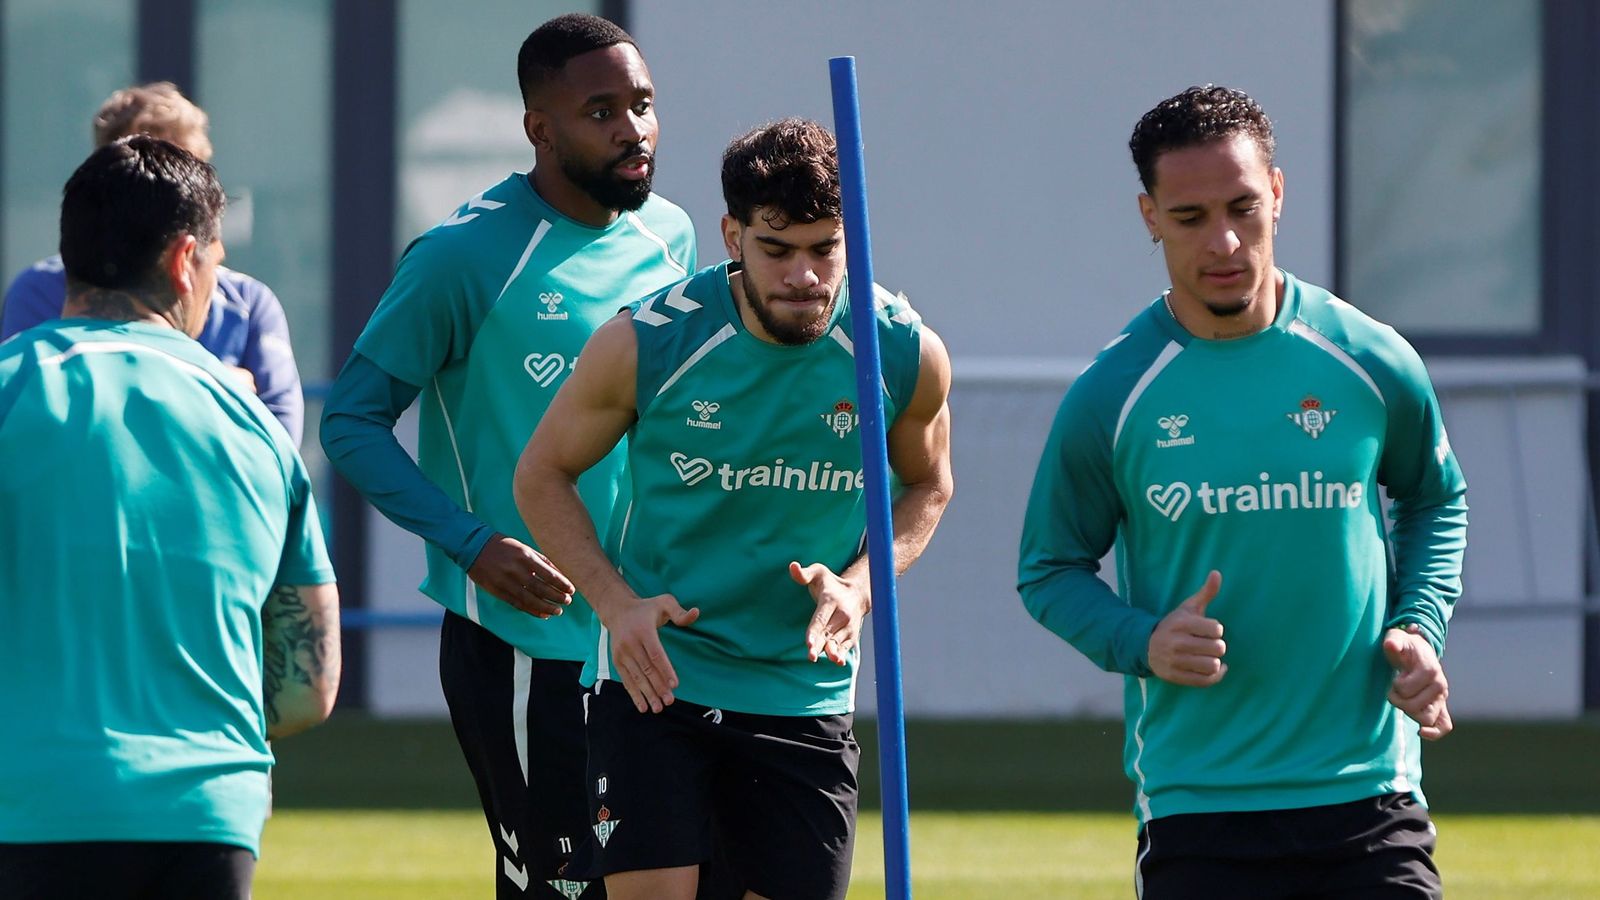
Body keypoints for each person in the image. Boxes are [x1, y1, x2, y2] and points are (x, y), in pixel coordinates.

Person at [1017, 85, 1468, 899]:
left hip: (1369, 793)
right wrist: (1142, 640)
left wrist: (1419, 625)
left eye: (1243, 207)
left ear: (1278, 194)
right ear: (1150, 216)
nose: (1223, 241)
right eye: (1190, 217)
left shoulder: (1370, 360)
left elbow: (1435, 499)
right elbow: (1049, 568)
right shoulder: (1113, 393)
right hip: (1199, 807)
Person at [513, 117, 954, 900]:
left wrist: (860, 586)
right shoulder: (647, 342)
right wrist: (615, 605)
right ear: (732, 236)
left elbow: (928, 486)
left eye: (825, 249)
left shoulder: (900, 351)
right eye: (776, 249)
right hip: (658, 681)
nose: (804, 276)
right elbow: (542, 475)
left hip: (802, 689)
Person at [320, 14, 694, 899]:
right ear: (540, 128)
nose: (633, 129)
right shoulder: (462, 256)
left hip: (649, 636)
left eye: (642, 105)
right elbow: (352, 422)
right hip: (527, 647)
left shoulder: (671, 236)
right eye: (601, 112)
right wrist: (470, 543)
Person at [0, 135, 340, 899]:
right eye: (218, 264)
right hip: (206, 816)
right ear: (186, 260)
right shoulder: (256, 428)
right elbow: (308, 689)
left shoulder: (10, 390)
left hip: (27, 810)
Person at [1, 81, 305, 444]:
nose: (160, 186)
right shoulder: (40, 288)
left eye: (180, 169)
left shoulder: (248, 302)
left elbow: (280, 438)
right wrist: (220, 387)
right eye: (138, 169)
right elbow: (29, 415)